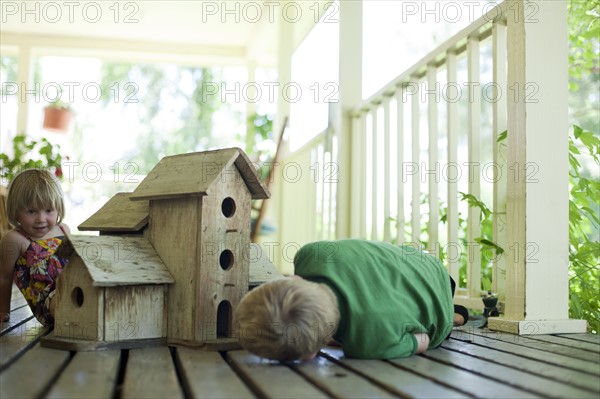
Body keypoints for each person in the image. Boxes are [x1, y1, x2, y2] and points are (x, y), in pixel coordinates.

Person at [234, 239, 469, 361]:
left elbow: (424, 339)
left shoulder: (367, 345)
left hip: (440, 313)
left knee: (434, 323)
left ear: (309, 355)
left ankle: (455, 317)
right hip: (429, 266)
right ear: (292, 278)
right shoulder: (310, 253)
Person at [0, 169, 70, 325]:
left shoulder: (63, 229)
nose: (41, 219)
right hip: (48, 302)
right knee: (65, 304)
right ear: (16, 211)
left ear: (58, 208)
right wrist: (3, 311)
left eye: (49, 210)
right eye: (31, 211)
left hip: (73, 287)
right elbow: (4, 277)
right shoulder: (15, 239)